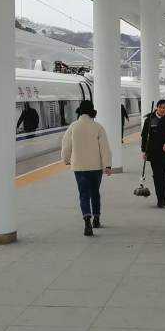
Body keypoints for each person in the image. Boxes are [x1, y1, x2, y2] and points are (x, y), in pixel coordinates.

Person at [61, 100, 112, 236]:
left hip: (79, 167)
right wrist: (107, 165)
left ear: (79, 112)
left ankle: (87, 221)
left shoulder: (73, 127)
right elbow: (105, 148)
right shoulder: (98, 127)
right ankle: (97, 218)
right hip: (95, 167)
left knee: (84, 194)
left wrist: (66, 160)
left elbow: (66, 146)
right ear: (92, 112)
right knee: (95, 192)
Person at [140, 99, 165, 208]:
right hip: (154, 153)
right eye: (160, 107)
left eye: (164, 107)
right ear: (157, 108)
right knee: (157, 176)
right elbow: (144, 137)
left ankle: (164, 198)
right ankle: (160, 199)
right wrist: (144, 151)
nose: (162, 109)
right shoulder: (150, 120)